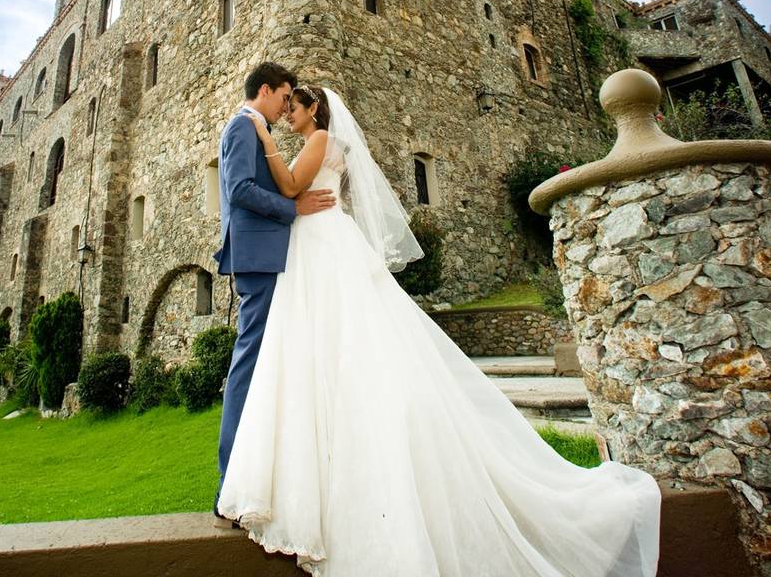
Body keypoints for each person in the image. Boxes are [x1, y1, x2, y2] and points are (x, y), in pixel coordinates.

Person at [216, 84, 661, 576]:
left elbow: (292, 188)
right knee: (323, 346)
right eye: (283, 108)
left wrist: (265, 137)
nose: (286, 114)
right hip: (318, 244)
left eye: (292, 107)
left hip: (320, 243)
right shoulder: (323, 142)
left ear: (312, 108)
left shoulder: (319, 140)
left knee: (335, 341)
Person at [213, 63, 336, 528]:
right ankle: (230, 483)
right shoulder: (244, 127)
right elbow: (240, 189)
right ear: (265, 90)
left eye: (293, 101)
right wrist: (292, 208)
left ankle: (261, 477)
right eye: (284, 96)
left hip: (266, 256)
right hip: (258, 258)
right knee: (249, 365)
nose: (287, 105)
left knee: (265, 365)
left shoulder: (257, 130)